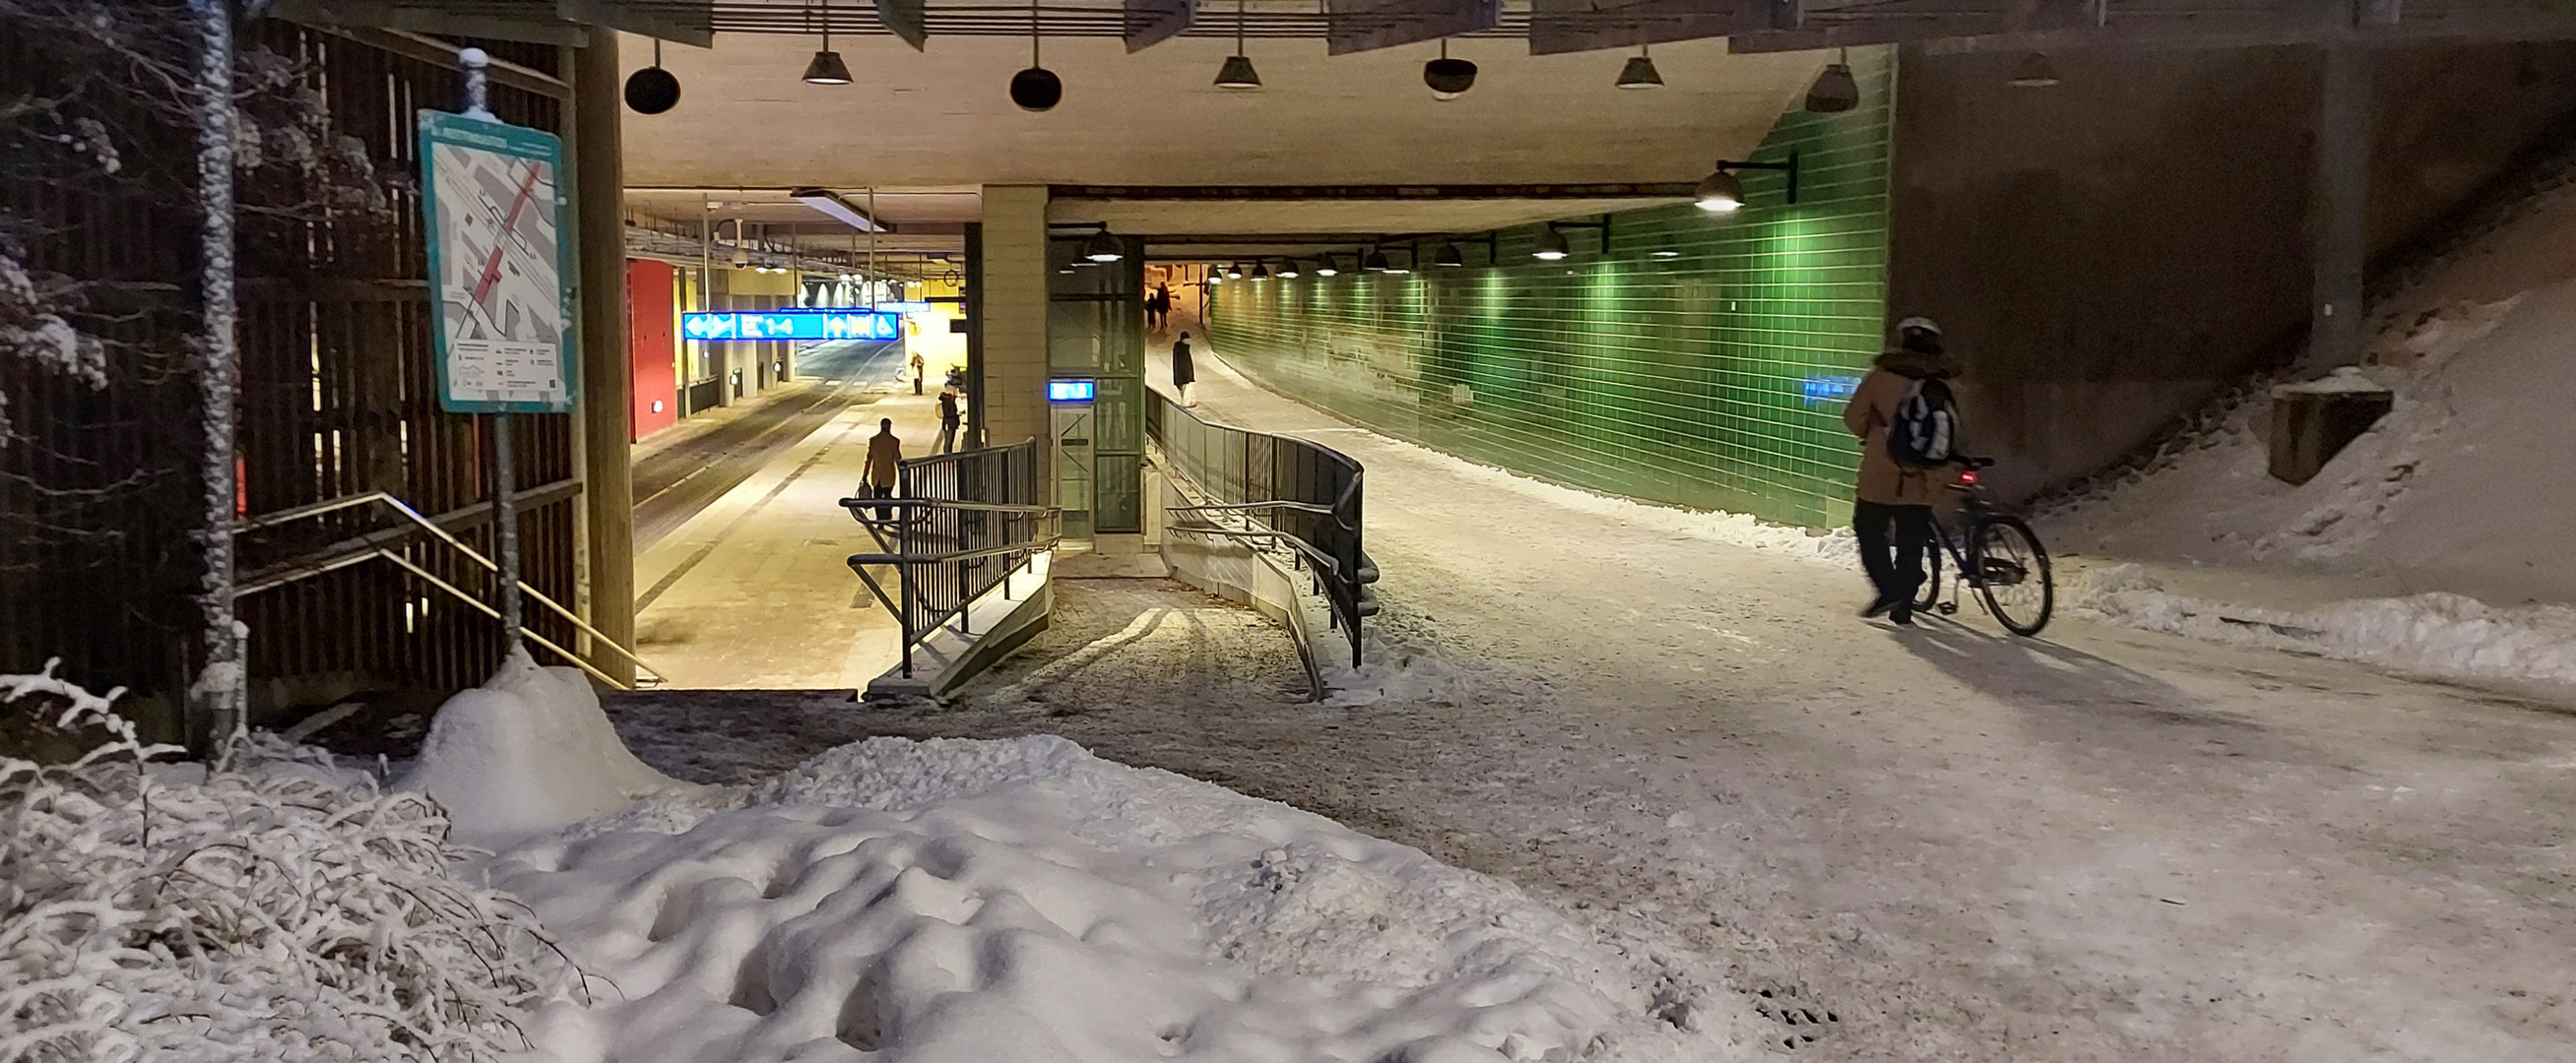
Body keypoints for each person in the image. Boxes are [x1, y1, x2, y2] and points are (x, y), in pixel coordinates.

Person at [1840, 316, 1962, 626]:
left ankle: (1889, 588)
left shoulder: (1882, 376)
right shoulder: (1944, 379)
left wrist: (1877, 434)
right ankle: (1903, 606)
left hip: (1882, 471)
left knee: (1869, 528)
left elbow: (1854, 418)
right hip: (1925, 474)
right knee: (1912, 539)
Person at [864, 416, 902, 521]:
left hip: (877, 476)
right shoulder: (894, 441)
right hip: (888, 476)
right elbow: (898, 459)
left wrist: (865, 475)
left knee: (877, 498)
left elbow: (869, 459)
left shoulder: (873, 440)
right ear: (889, 427)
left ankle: (879, 518)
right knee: (888, 497)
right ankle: (887, 516)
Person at [1171, 330, 1196, 406]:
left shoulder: (1183, 348)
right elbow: (1182, 363)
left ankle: (1185, 402)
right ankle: (1185, 403)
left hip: (1183, 374)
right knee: (1184, 389)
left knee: (1184, 389)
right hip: (1182, 374)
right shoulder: (1181, 350)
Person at [936, 387, 962, 455]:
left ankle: (948, 455)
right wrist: (956, 414)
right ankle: (947, 455)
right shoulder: (947, 402)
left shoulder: (950, 401)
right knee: (948, 441)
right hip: (949, 423)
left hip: (951, 423)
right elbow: (948, 413)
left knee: (950, 441)